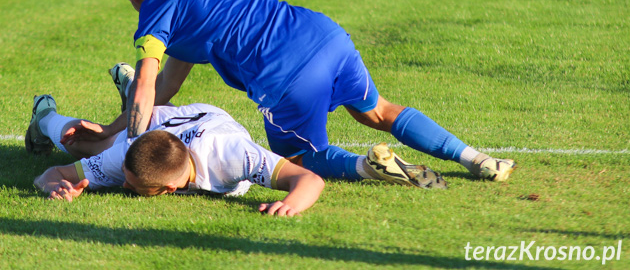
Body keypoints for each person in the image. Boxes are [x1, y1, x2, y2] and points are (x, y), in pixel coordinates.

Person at [68, 0, 515, 186]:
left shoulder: (156, 7)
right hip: (325, 34)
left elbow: (146, 83)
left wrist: (124, 144)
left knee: (298, 157)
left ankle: (368, 167)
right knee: (376, 110)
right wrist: (108, 127)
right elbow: (168, 86)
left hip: (284, 72)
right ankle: (478, 159)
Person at [26, 88, 445, 217]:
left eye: (133, 189)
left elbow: (308, 179)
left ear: (169, 190)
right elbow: (53, 174)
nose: (123, 187)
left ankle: (133, 93)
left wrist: (290, 205)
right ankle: (46, 116)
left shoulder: (233, 156)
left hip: (206, 119)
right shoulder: (129, 156)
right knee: (82, 140)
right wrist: (55, 187)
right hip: (155, 125)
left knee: (96, 141)